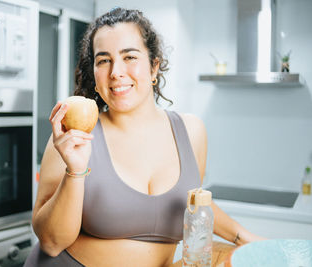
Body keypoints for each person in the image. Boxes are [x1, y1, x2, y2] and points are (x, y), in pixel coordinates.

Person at [25, 7, 263, 267]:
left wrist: (244, 237)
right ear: (94, 73)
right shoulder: (75, 138)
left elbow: (190, 203)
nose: (116, 71)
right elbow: (51, 242)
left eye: (129, 57)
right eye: (103, 60)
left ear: (153, 67)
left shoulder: (191, 131)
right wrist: (75, 171)